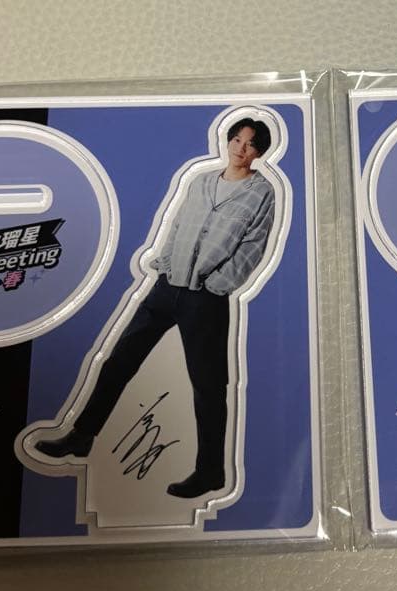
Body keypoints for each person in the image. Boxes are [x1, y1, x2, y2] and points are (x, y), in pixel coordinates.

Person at [35, 117, 276, 498]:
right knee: (118, 361)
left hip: (205, 299)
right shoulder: (201, 182)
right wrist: (164, 263)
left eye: (249, 144)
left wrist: (216, 285)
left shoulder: (261, 193)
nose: (239, 148)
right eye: (236, 140)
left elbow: (252, 246)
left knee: (208, 387)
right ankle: (81, 437)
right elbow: (177, 225)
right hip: (166, 286)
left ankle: (210, 472)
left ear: (259, 152)